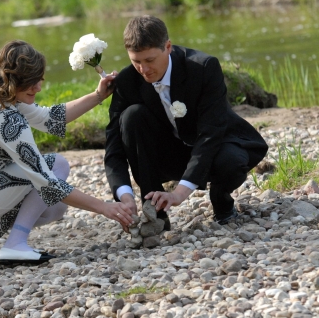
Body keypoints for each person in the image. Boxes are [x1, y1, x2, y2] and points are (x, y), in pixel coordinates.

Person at [0, 40, 133, 270]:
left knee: (55, 208)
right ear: (13, 81)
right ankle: (15, 245)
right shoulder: (6, 118)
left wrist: (97, 96)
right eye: (31, 82)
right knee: (56, 168)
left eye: (39, 79)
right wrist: (105, 207)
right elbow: (47, 183)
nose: (38, 87)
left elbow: (49, 119)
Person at [104, 15, 268, 231]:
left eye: (150, 60)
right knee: (131, 116)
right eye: (136, 62)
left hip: (214, 148)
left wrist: (180, 193)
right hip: (167, 154)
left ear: (168, 47)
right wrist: (124, 196)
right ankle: (155, 212)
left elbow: (212, 132)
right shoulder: (127, 81)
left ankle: (222, 204)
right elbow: (114, 148)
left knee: (232, 161)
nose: (144, 70)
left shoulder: (203, 67)